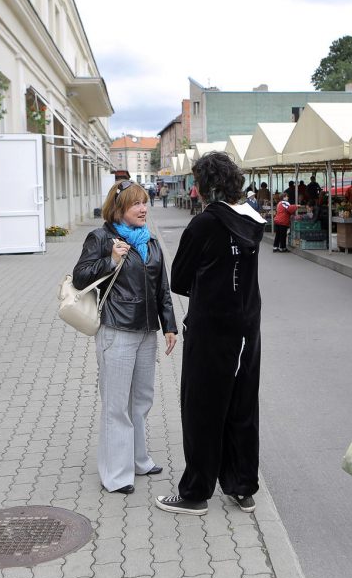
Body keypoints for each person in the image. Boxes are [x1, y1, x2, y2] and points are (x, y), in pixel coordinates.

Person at [155, 151, 266, 516]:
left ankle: (196, 492)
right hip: (248, 329)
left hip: (211, 328)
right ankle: (242, 486)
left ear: (202, 187)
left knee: (202, 408)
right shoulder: (254, 221)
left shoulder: (203, 225)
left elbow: (180, 280)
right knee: (242, 406)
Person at [72, 181, 178, 495]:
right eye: (136, 204)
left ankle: (137, 459)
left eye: (145, 203)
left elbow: (162, 289)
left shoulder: (151, 242)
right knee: (116, 404)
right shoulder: (102, 238)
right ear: (119, 209)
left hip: (147, 332)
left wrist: (169, 325)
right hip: (116, 329)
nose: (144, 208)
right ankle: (116, 474)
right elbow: (80, 277)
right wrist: (111, 260)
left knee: (141, 399)